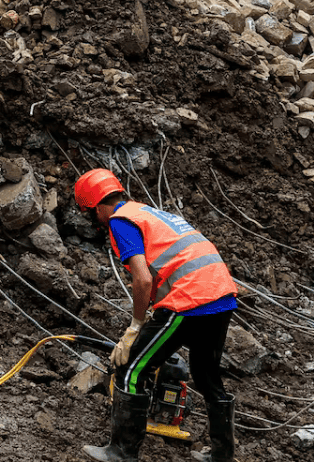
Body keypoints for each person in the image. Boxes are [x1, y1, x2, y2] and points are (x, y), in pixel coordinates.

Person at [73, 169, 238, 462]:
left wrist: (135, 326)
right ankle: (222, 456)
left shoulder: (120, 222)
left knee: (131, 369)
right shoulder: (149, 212)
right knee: (207, 376)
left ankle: (122, 453)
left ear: (97, 207)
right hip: (221, 295)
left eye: (91, 213)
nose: (95, 219)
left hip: (190, 300)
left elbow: (143, 279)